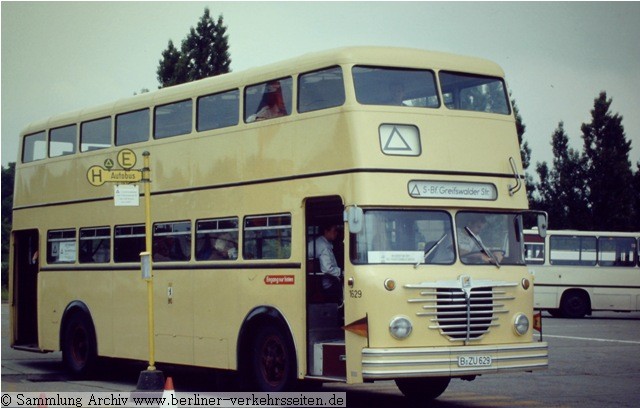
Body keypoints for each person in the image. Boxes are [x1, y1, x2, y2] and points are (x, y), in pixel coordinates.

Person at [309, 223, 342, 302]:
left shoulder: (323, 242)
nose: (336, 233)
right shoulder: (324, 246)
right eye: (334, 231)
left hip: (320, 280)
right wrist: (341, 272)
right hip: (324, 284)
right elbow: (327, 269)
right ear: (326, 232)